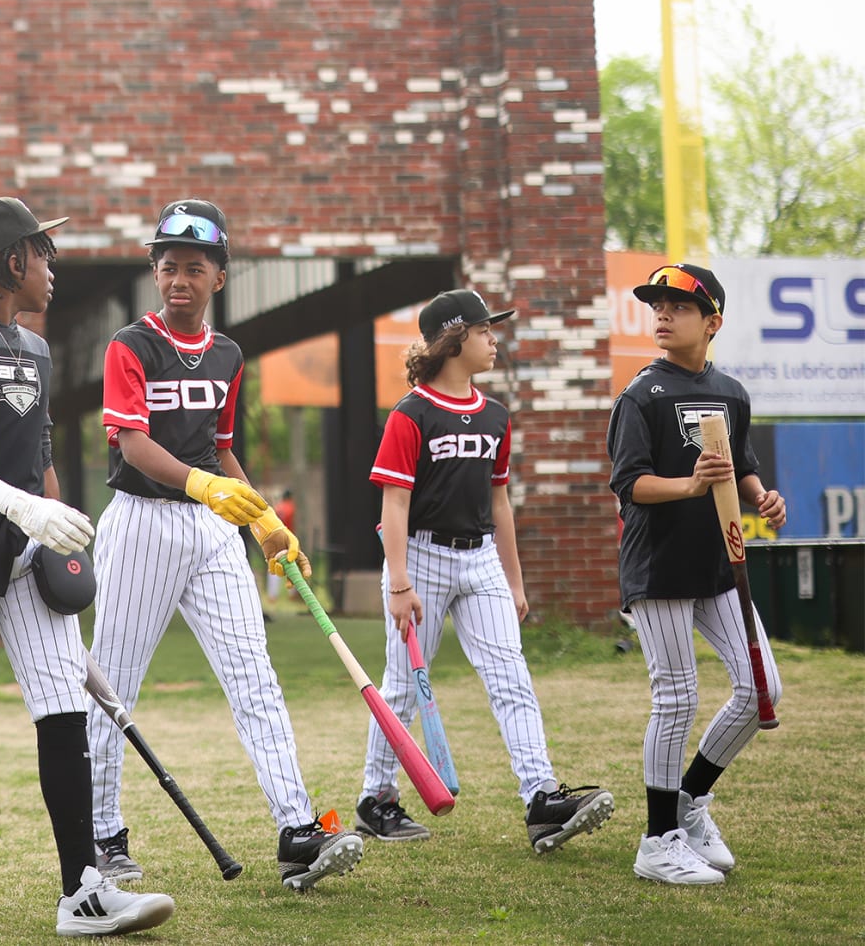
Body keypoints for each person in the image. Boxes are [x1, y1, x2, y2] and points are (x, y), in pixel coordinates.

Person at [0, 197, 174, 936]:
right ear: (13, 260)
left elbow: (41, 454)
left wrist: (54, 534)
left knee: (62, 703)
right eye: (45, 254)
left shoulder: (39, 349)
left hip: (26, 546)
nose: (54, 269)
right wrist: (19, 508)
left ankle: (81, 888)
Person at [84, 200, 364, 892]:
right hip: (143, 519)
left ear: (220, 276)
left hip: (209, 527)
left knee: (254, 675)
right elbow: (133, 443)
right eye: (168, 266)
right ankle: (102, 832)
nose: (180, 278)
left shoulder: (231, 354)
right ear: (155, 272)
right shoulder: (130, 343)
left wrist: (264, 519)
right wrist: (205, 486)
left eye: (194, 267)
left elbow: (223, 448)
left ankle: (297, 830)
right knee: (111, 686)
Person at [357, 289, 614, 851]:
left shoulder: (496, 415)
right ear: (454, 340)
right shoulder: (410, 414)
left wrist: (514, 579)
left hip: (480, 560)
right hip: (419, 559)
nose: (493, 339)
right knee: (401, 687)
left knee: (511, 677)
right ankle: (377, 800)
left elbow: (500, 504)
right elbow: (394, 505)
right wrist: (398, 582)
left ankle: (542, 799)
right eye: (483, 330)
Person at [607, 263, 786, 885]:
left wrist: (762, 495)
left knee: (762, 690)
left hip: (719, 566)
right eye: (656, 305)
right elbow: (630, 486)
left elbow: (743, 465)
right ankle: (657, 842)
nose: (662, 314)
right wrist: (690, 484)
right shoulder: (641, 395)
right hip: (658, 569)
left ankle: (689, 802)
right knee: (677, 697)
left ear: (711, 322)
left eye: (677, 307)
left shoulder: (731, 392)